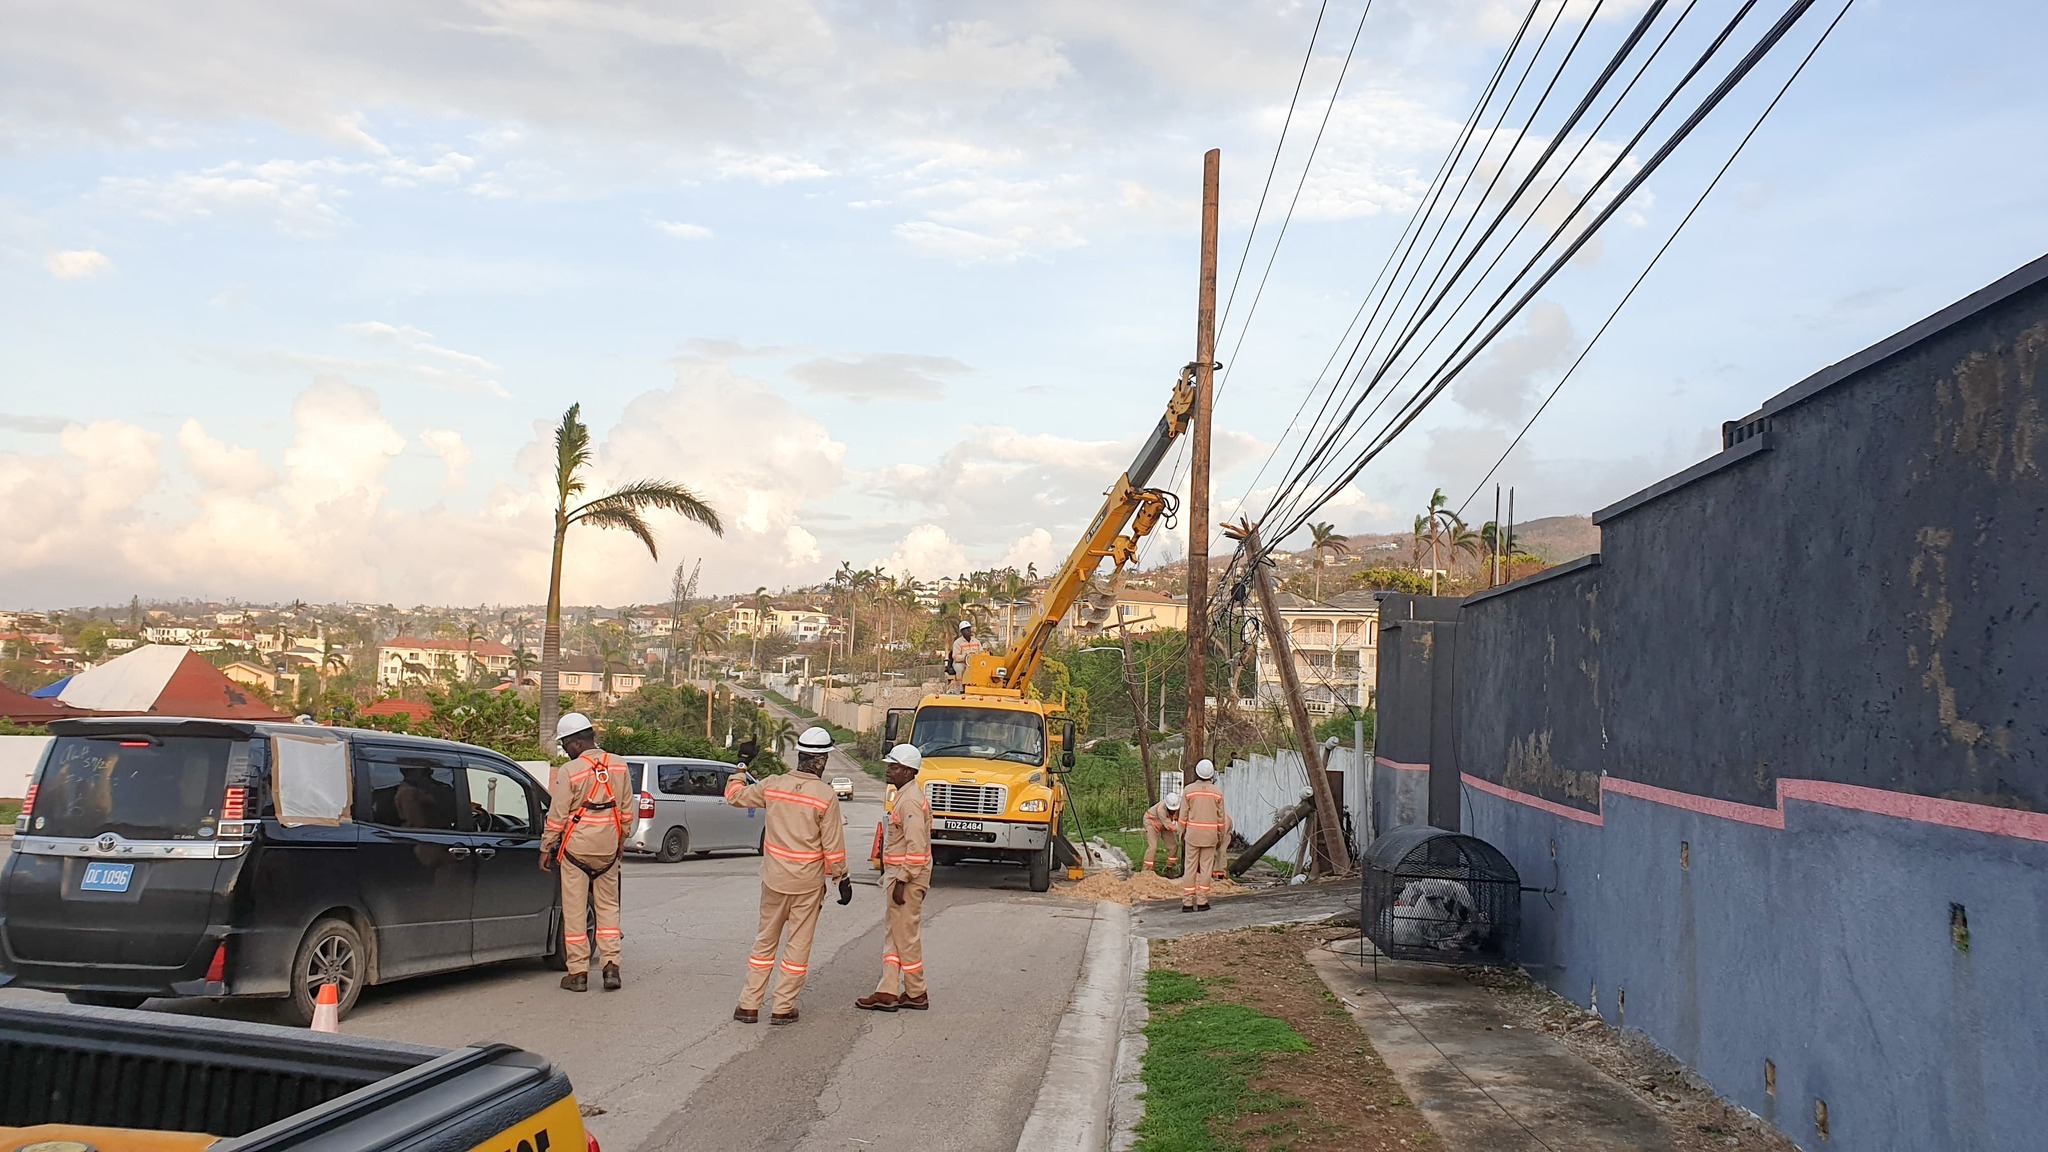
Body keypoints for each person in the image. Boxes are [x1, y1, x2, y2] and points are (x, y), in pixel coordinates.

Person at [725, 725, 851, 1024]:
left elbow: (733, 796)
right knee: (798, 945)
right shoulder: (825, 796)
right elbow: (833, 847)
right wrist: (842, 878)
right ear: (821, 760)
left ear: (801, 755)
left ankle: (749, 1005)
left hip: (774, 880)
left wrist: (742, 764)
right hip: (807, 884)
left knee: (764, 942)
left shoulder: (773, 784)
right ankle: (783, 1007)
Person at [540, 713, 632, 991]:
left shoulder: (571, 771)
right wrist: (619, 843)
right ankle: (611, 967)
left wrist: (546, 847)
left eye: (565, 744)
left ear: (577, 742)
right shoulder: (619, 766)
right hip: (607, 852)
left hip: (576, 852)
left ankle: (578, 973)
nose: (565, 750)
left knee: (576, 912)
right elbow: (627, 813)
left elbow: (557, 816)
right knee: (608, 910)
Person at [857, 745, 932, 1013]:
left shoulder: (909, 800)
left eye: (895, 766)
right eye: (890, 765)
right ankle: (888, 990)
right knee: (895, 933)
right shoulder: (904, 796)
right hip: (899, 876)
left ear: (909, 771)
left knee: (906, 935)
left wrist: (902, 880)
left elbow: (916, 847)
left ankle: (916, 991)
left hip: (907, 879)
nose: (889, 769)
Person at [1178, 760, 1231, 912]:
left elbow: (1183, 815)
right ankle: (1202, 901)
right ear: (1212, 774)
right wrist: (1220, 835)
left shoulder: (1188, 790)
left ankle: (1187, 903)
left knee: (1190, 868)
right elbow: (1221, 818)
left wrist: (1181, 831)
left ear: (1197, 772)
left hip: (1192, 835)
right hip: (1210, 836)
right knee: (1206, 869)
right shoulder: (1217, 792)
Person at [1141, 792, 1184, 874]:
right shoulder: (1161, 809)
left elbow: (1179, 819)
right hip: (1151, 822)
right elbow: (1170, 827)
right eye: (1171, 809)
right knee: (1153, 847)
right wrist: (1182, 831)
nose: (1173, 811)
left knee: (1173, 845)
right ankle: (1146, 870)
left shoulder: (1179, 807)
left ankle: (1170, 868)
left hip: (1164, 825)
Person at [945, 620, 982, 692]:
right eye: (966, 629)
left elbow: (981, 653)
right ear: (962, 631)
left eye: (969, 628)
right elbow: (955, 657)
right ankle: (960, 689)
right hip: (961, 663)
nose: (968, 630)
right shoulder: (957, 643)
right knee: (960, 669)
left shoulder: (976, 642)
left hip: (974, 663)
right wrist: (965, 657)